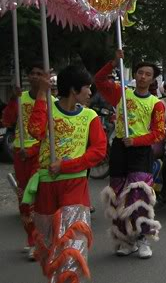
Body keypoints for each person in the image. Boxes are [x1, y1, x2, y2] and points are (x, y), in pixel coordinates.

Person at [24, 66, 107, 282]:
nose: (90, 92)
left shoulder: (90, 116)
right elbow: (35, 131)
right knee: (50, 245)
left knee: (73, 243)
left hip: (75, 186)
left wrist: (66, 166)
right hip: (46, 186)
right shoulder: (48, 110)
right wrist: (42, 93)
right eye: (87, 87)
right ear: (73, 89)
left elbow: (98, 151)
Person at [96, 51, 165, 259]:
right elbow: (98, 81)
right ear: (135, 75)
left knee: (139, 196)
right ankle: (126, 240)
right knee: (117, 195)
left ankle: (143, 239)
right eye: (140, 73)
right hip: (119, 148)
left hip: (140, 152)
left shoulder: (156, 103)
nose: (143, 77)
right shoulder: (121, 94)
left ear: (153, 79)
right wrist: (113, 62)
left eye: (147, 74)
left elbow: (159, 132)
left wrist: (136, 140)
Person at [1, 62, 52, 260]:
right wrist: (13, 100)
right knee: (24, 200)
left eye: (40, 73)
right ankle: (32, 238)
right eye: (32, 73)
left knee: (37, 199)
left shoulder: (51, 100)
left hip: (40, 155)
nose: (35, 76)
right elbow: (7, 120)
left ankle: (41, 240)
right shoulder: (20, 99)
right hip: (20, 154)